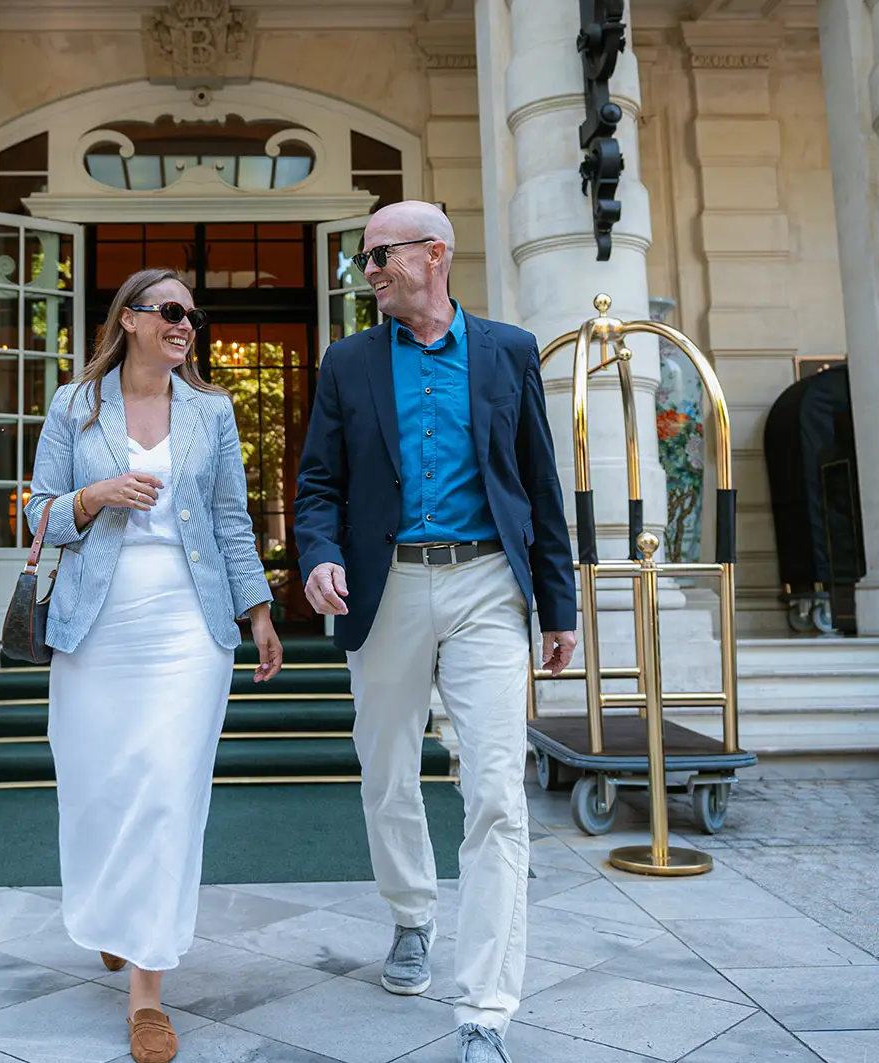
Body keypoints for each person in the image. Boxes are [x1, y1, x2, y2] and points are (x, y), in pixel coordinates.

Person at [293, 202, 578, 1063]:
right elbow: (317, 485)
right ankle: (412, 915)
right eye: (365, 256)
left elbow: (538, 481)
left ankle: (486, 1005)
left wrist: (558, 606)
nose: (369, 268)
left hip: (489, 581)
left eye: (383, 253)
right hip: (387, 588)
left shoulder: (508, 351)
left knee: (495, 786)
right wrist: (317, 555)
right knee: (387, 771)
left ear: (436, 255)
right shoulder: (347, 363)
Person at [24, 267, 283, 1063]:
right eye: (171, 311)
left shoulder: (211, 410)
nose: (186, 324)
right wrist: (95, 493)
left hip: (186, 625)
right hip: (97, 623)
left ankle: (147, 986)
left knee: (169, 791)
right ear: (129, 319)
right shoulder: (76, 405)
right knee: (101, 787)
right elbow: (36, 513)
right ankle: (116, 915)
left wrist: (260, 610)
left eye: (192, 315)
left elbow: (233, 518)